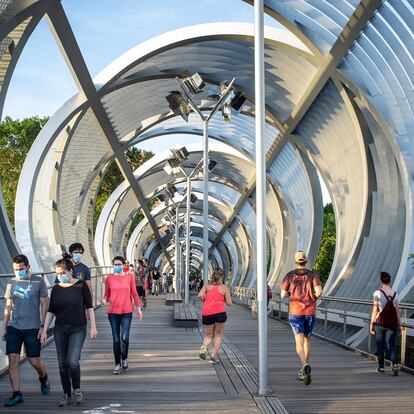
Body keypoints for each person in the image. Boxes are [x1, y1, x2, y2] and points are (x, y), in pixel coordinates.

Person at [40, 256, 97, 407]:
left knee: (72, 361)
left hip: (78, 328)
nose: (60, 276)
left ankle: (77, 390)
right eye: (57, 274)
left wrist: (93, 326)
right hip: (60, 329)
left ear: (70, 271)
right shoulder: (57, 289)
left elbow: (89, 306)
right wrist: (45, 330)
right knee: (62, 363)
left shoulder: (81, 286)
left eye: (62, 273)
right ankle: (66, 393)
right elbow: (51, 311)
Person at [2, 254, 50, 407]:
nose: (18, 272)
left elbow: (44, 305)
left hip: (32, 327)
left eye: (20, 269)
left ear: (28, 267)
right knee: (13, 358)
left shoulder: (38, 281)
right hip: (14, 326)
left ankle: (43, 377)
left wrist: (43, 327)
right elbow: (8, 306)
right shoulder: (11, 283)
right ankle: (17, 393)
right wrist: (4, 327)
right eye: (15, 269)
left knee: (33, 359)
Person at [279, 251, 322, 385]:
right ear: (306, 261)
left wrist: (292, 294)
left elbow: (283, 294)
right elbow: (319, 291)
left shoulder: (290, 275)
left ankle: (304, 366)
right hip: (309, 310)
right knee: (307, 339)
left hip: (295, 310)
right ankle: (305, 366)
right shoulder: (312, 275)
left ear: (295, 261)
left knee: (298, 341)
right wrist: (311, 298)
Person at [103, 256, 142, 375]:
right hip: (113, 312)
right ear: (113, 265)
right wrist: (104, 300)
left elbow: (134, 293)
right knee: (116, 339)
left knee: (124, 337)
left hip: (126, 311)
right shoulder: (109, 278)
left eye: (119, 264)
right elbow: (106, 294)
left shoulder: (129, 277)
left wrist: (139, 309)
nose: (117, 266)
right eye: (115, 264)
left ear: (123, 265)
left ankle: (124, 358)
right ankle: (117, 364)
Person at [198, 268, 232, 364]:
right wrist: (223, 298)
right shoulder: (225, 288)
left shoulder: (207, 286)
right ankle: (212, 357)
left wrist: (205, 300)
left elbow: (200, 295)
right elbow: (229, 303)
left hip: (207, 313)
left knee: (209, 335)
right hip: (219, 314)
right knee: (218, 336)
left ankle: (204, 347)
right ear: (221, 277)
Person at [370, 271, 400, 376]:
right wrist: (399, 324)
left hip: (380, 323)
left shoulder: (377, 293)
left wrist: (372, 323)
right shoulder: (395, 293)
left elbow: (375, 309)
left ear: (381, 281)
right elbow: (397, 311)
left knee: (380, 345)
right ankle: (395, 364)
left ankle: (381, 367)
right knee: (391, 345)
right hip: (392, 323)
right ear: (390, 280)